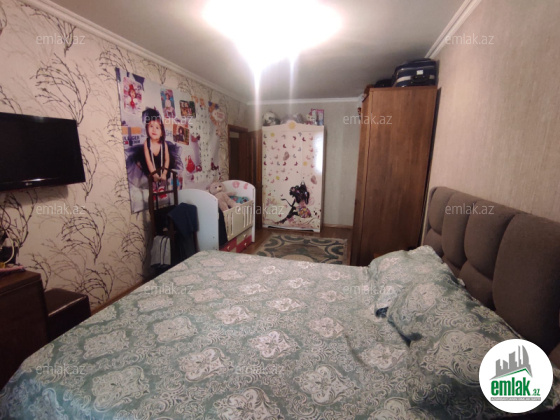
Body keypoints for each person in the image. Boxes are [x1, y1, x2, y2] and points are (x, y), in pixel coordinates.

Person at [142, 108, 169, 195]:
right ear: (147, 128)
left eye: (157, 127)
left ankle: (162, 186)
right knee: (150, 178)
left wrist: (164, 173)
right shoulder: (146, 143)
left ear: (161, 132)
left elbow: (167, 160)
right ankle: (153, 187)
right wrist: (154, 174)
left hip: (162, 167)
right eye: (151, 126)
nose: (154, 130)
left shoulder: (164, 144)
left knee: (164, 178)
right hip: (151, 168)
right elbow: (148, 161)